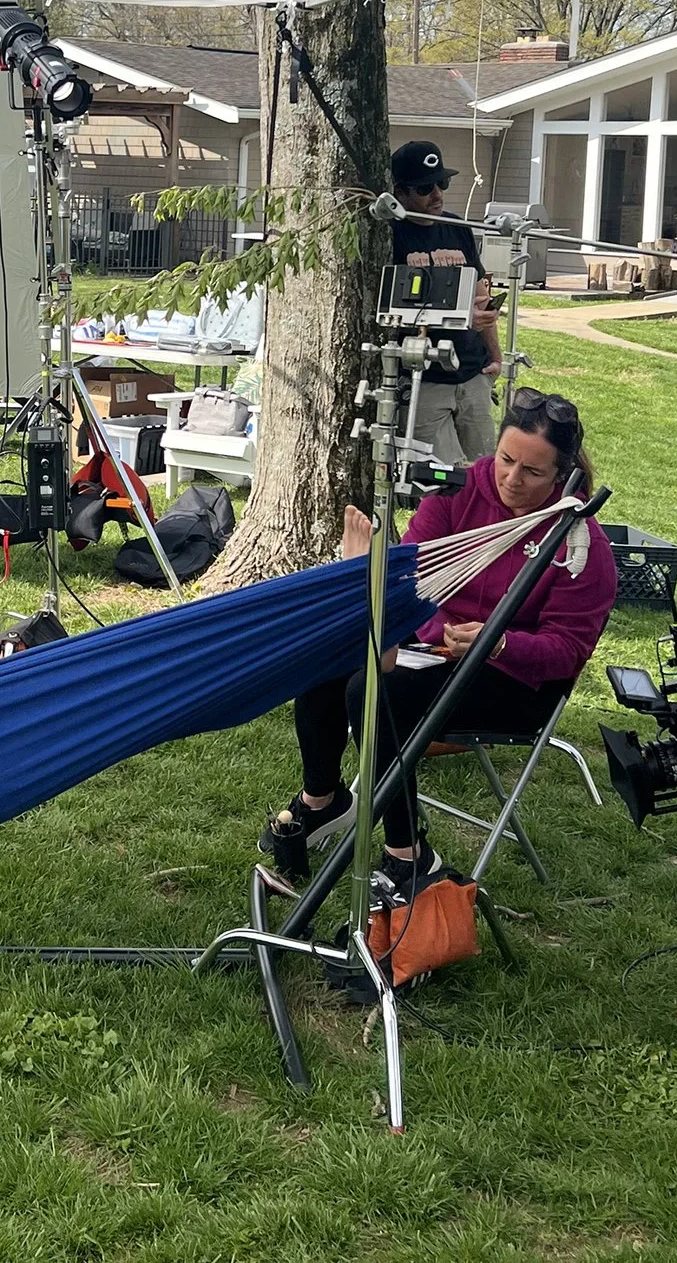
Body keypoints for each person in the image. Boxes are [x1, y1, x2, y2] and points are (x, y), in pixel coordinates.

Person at [262, 390, 618, 891]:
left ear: (563, 476)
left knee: (376, 690)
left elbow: (565, 653)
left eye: (533, 473)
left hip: (513, 682)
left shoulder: (581, 545)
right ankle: (322, 800)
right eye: (506, 460)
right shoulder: (458, 492)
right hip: (430, 652)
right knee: (327, 660)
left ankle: (409, 855)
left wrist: (498, 644)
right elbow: (409, 576)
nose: (512, 479)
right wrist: (365, 572)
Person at [389, 138, 497, 465]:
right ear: (401, 192)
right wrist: (463, 316)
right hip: (425, 377)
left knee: (485, 472)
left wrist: (495, 355)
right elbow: (395, 309)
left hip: (472, 372)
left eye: (441, 183)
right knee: (440, 480)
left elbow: (482, 297)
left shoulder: (458, 228)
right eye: (424, 189)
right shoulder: (392, 234)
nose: (437, 195)